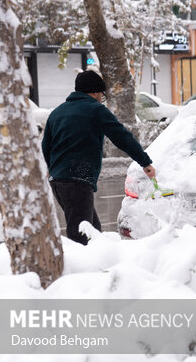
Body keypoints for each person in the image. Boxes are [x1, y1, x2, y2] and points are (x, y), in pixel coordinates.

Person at [42, 70, 156, 245]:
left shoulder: (57, 113)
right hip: (78, 180)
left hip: (58, 181)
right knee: (81, 235)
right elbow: (121, 137)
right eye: (101, 95)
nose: (101, 98)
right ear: (94, 92)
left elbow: (45, 147)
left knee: (92, 230)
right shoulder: (95, 110)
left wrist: (55, 171)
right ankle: (80, 269)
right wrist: (145, 161)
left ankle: (98, 263)